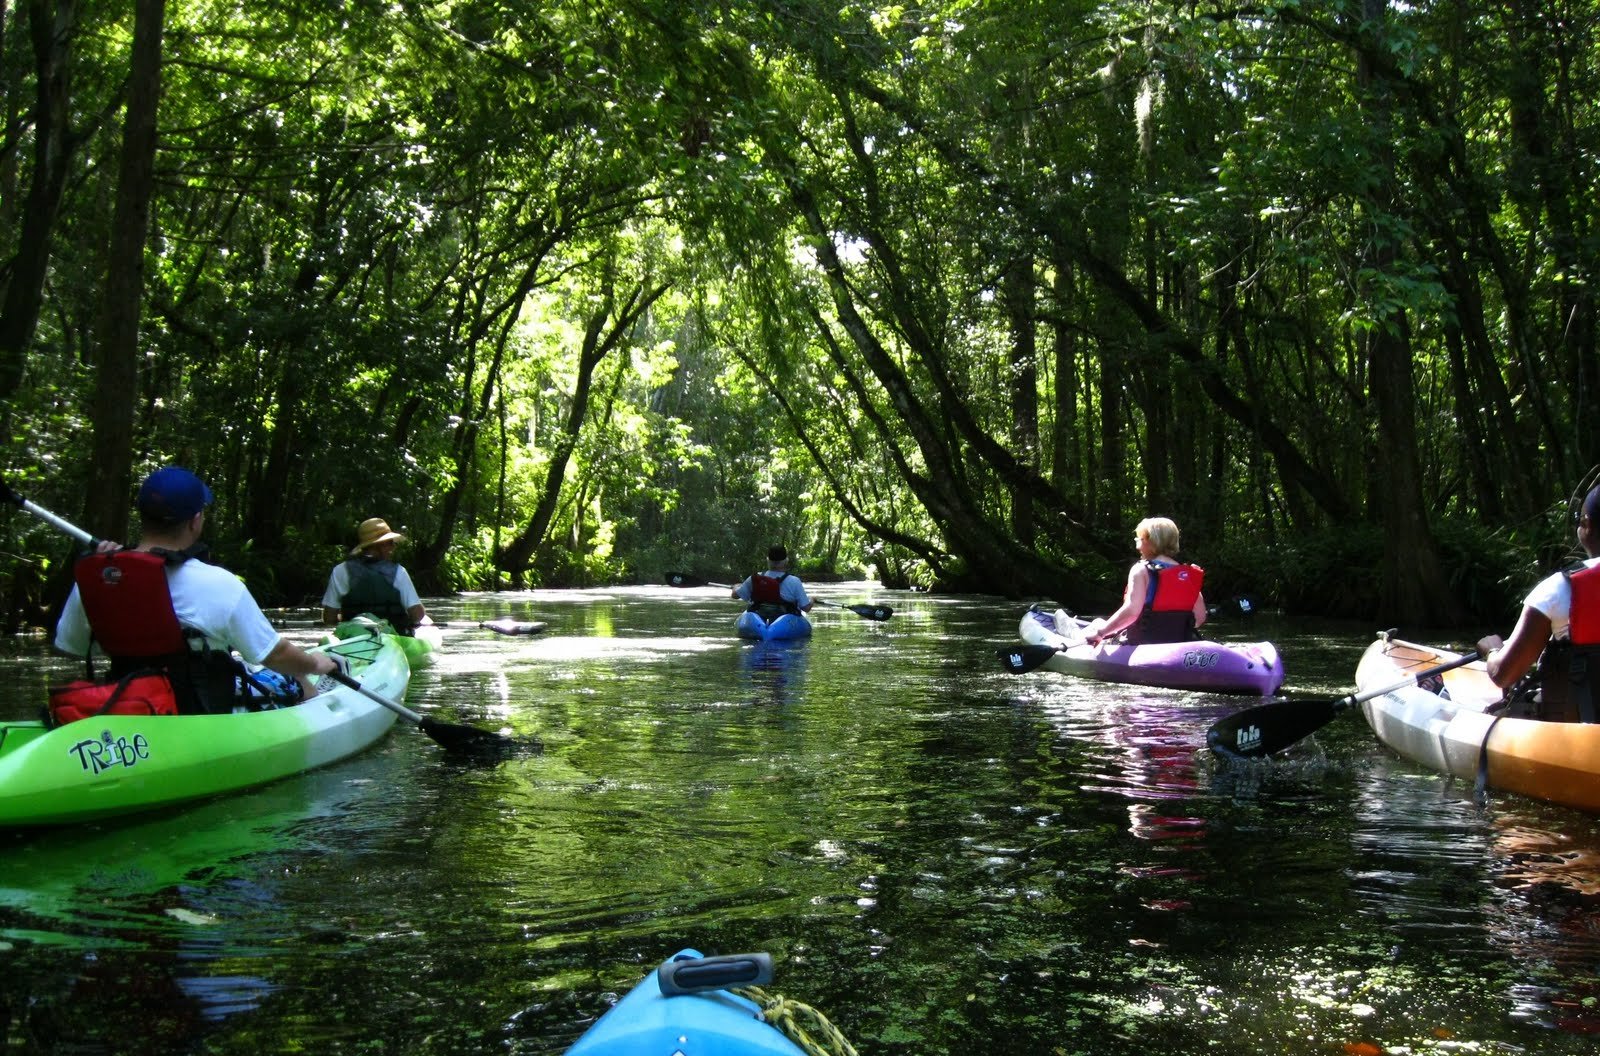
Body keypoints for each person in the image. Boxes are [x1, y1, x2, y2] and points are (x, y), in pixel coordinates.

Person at [55, 465, 345, 710]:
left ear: (142, 517)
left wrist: (112, 576)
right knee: (297, 679)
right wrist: (314, 664)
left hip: (134, 708)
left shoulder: (100, 579)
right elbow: (276, 655)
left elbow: (72, 647)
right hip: (199, 714)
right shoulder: (219, 584)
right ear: (195, 521)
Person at [1477, 482, 1600, 722]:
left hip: (1579, 737)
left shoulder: (1559, 589)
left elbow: (1505, 674)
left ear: (1586, 525)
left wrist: (1492, 649)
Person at [1082, 516, 1208, 646]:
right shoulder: (1188, 574)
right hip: (1178, 644)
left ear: (1150, 541)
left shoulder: (1141, 570)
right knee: (1098, 621)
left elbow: (1132, 612)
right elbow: (1199, 617)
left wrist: (1101, 633)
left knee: (1097, 625)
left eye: (1139, 540)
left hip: (1142, 643)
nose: (1138, 547)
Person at [320, 517, 427, 634]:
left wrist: (345, 621)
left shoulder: (340, 570)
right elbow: (418, 614)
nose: (393, 547)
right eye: (390, 542)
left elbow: (329, 618)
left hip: (353, 638)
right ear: (379, 544)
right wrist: (410, 621)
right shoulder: (398, 572)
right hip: (393, 637)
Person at [732, 544, 813, 620]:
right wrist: (812, 600)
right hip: (783, 619)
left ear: (768, 560)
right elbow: (806, 608)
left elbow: (735, 595)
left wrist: (735, 587)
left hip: (759, 616)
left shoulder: (755, 578)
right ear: (786, 560)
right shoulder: (794, 581)